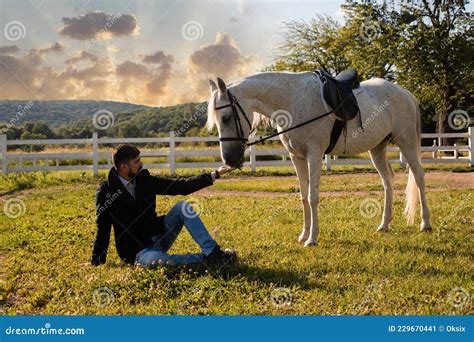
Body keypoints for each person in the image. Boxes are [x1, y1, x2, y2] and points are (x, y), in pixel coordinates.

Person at [91, 144, 236, 267]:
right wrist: (97, 261)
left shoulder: (144, 179)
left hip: (157, 237)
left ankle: (213, 253)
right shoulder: (106, 191)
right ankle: (204, 259)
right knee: (156, 260)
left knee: (182, 207)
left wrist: (214, 174)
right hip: (137, 253)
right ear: (123, 167)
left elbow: (180, 187)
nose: (141, 164)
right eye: (136, 162)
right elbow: (102, 227)